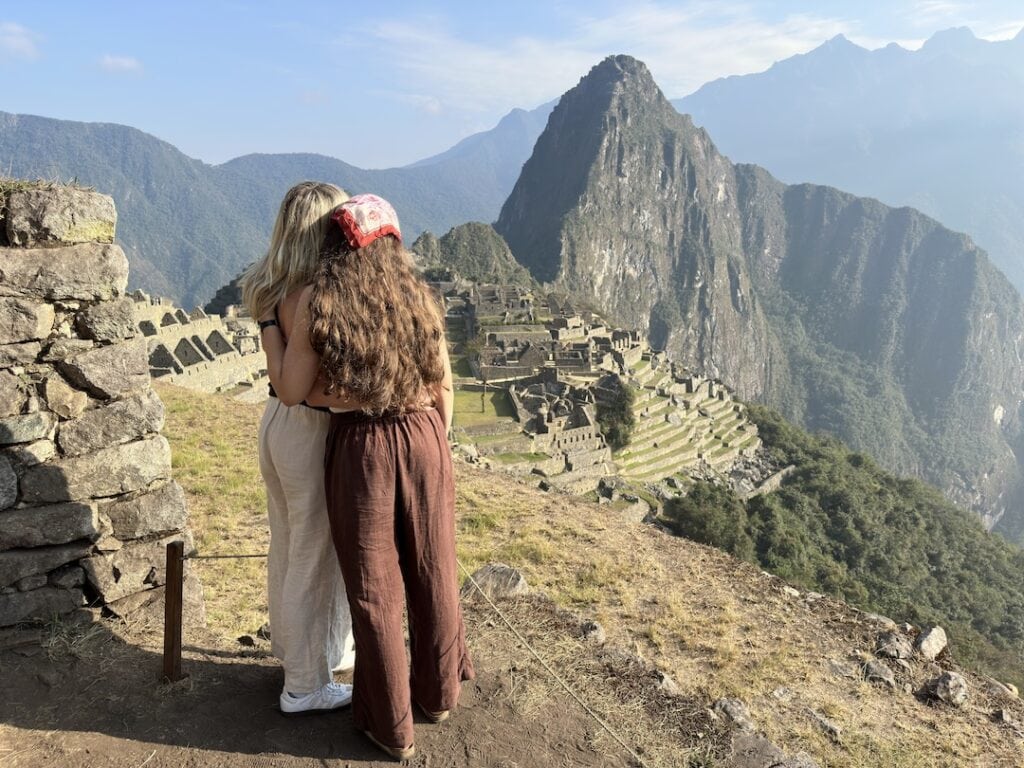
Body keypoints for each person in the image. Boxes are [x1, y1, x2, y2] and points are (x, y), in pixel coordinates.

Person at [260, 193, 474, 760]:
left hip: (363, 447)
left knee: (376, 589)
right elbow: (445, 384)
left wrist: (267, 324)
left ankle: (391, 724)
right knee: (434, 567)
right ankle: (440, 692)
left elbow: (296, 391)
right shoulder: (419, 302)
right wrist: (435, 446)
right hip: (425, 435)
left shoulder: (323, 305)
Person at [240, 181, 356, 715]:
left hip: (277, 426)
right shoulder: (315, 294)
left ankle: (299, 654)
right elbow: (297, 385)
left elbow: (281, 378)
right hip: (307, 430)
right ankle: (306, 685)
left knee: (288, 544)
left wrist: (267, 325)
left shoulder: (274, 290)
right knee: (314, 553)